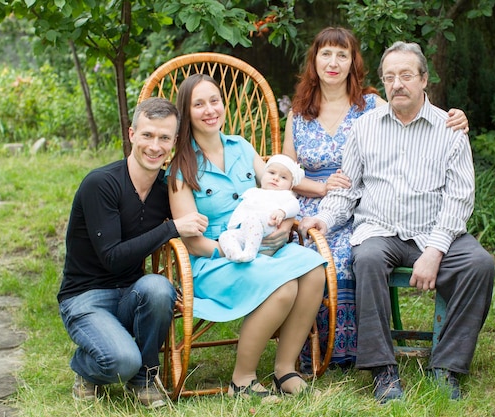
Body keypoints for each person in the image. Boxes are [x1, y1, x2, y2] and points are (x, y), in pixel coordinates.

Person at [299, 41, 494, 403]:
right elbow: (348, 188)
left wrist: (435, 250)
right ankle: (382, 370)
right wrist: (324, 218)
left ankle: (447, 364)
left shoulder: (450, 129)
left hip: (435, 230)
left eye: (406, 75)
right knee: (367, 259)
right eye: (390, 77)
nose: (397, 84)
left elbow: (460, 198)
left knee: (479, 264)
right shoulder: (365, 128)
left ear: (424, 80)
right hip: (381, 229)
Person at [166, 73, 326, 399]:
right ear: (187, 112)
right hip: (214, 259)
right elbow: (191, 240)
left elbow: (276, 185)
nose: (210, 110)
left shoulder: (241, 146)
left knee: (312, 267)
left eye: (214, 101)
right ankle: (242, 380)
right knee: (283, 286)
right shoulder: (182, 168)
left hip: (263, 247)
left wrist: (286, 223)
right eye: (199, 104)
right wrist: (238, 249)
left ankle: (285, 369)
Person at [57, 97, 209, 408]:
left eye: (165, 137)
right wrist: (171, 228)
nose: (155, 146)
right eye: (148, 135)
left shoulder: (163, 191)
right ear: (131, 134)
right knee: (120, 363)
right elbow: (112, 257)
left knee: (157, 287)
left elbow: (196, 227)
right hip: (84, 297)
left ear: (175, 141)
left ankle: (145, 377)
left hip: (130, 293)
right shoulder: (101, 184)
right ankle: (87, 367)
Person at [219, 154, 305, 262]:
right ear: (263, 175)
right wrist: (233, 225)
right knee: (226, 235)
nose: (276, 178)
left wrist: (282, 212)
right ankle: (237, 255)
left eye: (283, 177)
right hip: (246, 234)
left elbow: (295, 206)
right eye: (272, 173)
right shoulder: (253, 192)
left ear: (290, 185)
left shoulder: (285, 195)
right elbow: (241, 209)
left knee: (252, 219)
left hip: (267, 232)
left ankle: (249, 253)